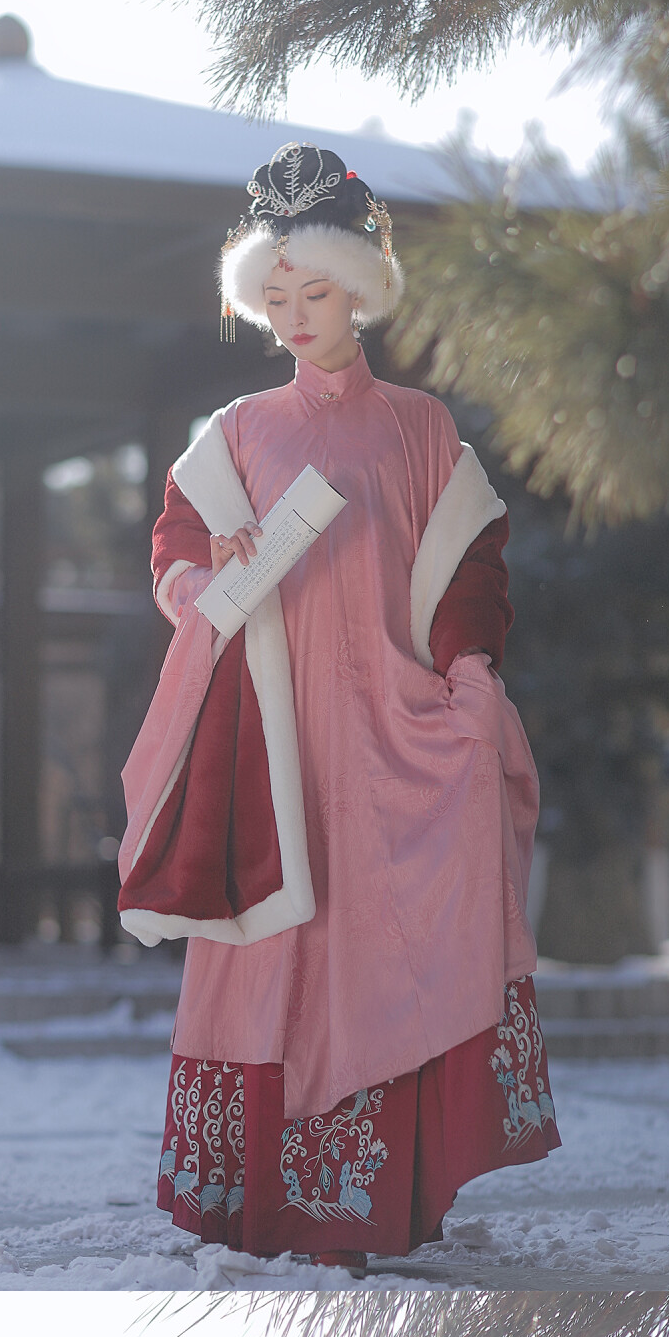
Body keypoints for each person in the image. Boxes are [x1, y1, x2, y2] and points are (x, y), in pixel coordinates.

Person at [118, 141, 560, 1261]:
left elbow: (472, 560)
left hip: (390, 726)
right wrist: (208, 577)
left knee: (397, 940)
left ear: (358, 289)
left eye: (315, 291)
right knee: (280, 945)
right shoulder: (233, 435)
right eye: (276, 295)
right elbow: (173, 547)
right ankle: (267, 1200)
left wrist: (465, 674)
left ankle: (396, 1189)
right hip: (273, 733)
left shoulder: (418, 428)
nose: (295, 314)